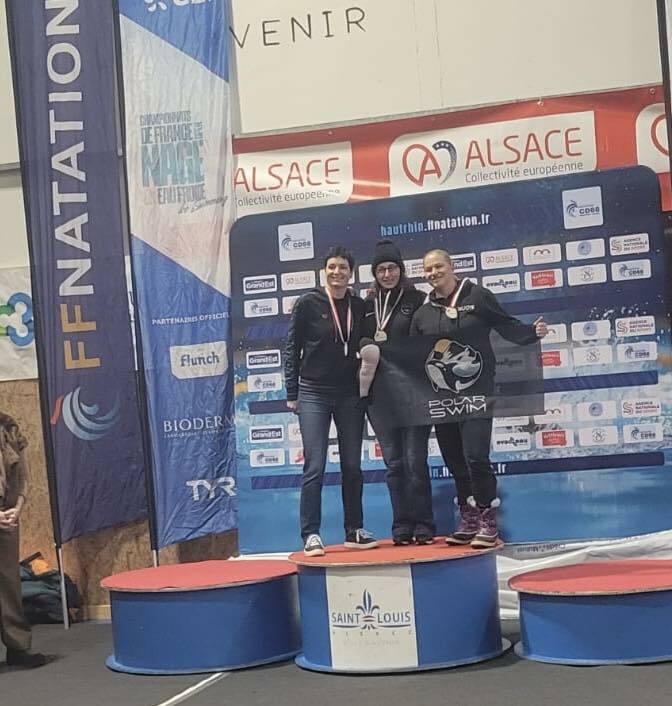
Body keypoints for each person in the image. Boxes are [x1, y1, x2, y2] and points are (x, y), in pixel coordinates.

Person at [410, 249, 547, 547]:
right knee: (455, 460)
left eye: (438, 266)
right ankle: (469, 517)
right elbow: (411, 356)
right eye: (428, 269)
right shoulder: (423, 313)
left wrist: (531, 332)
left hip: (477, 394)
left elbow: (505, 325)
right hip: (443, 399)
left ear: (451, 266)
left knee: (475, 456)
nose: (433, 273)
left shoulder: (478, 296)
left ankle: (487, 518)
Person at [285, 246, 378, 556]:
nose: (337, 272)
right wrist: (292, 392)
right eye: (332, 267)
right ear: (324, 271)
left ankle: (354, 529)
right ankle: (311, 533)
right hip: (313, 392)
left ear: (351, 273)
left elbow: (367, 342)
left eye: (343, 267)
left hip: (349, 392)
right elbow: (291, 348)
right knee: (315, 465)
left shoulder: (359, 305)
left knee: (352, 465)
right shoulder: (307, 303)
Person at [361, 240, 434, 545]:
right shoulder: (367, 304)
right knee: (394, 464)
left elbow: (429, 338)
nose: (387, 274)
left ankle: (424, 524)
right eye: (381, 269)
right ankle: (402, 525)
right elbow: (359, 339)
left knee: (415, 461)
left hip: (414, 393)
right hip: (381, 396)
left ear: (401, 270)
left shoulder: (417, 299)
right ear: (375, 273)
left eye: (392, 268)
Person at [0, 412, 46, 668]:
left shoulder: (9, 428)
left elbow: (22, 476)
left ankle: (18, 647)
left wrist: (17, 507)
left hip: (7, 515)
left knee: (9, 584)